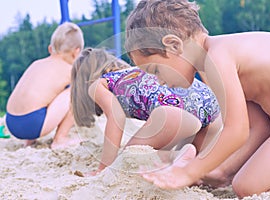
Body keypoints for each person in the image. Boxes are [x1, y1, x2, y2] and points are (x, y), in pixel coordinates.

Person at [124, 0, 270, 198]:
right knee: (243, 183)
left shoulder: (216, 58)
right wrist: (218, 171)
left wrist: (189, 171)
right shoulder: (216, 62)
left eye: (155, 70)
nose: (160, 82)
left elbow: (237, 131)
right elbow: (257, 127)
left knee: (248, 187)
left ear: (173, 45)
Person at [70, 48, 220, 175]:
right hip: (211, 110)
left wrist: (104, 167)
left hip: (172, 113)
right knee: (192, 169)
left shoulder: (98, 85)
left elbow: (116, 117)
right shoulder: (133, 73)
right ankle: (185, 160)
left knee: (129, 160)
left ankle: (173, 157)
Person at [5, 22, 84, 149]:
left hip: (11, 122)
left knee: (43, 95)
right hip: (32, 124)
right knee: (77, 91)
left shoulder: (36, 64)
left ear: (50, 49)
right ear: (76, 52)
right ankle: (60, 139)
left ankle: (29, 141)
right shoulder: (69, 70)